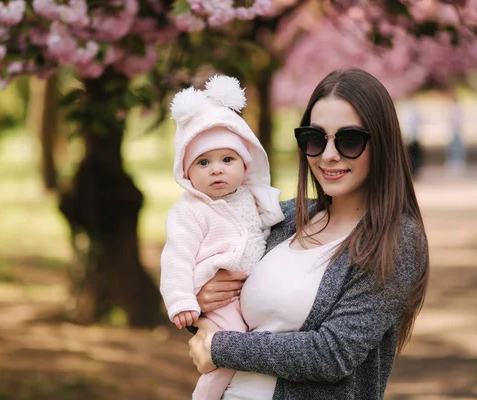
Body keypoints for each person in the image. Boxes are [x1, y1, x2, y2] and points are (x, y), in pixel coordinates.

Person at [188, 68, 430, 400]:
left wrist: (221, 347)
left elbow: (331, 354)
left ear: (382, 144)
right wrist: (199, 299)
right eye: (316, 139)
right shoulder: (284, 218)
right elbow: (207, 266)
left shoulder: (396, 240)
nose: (329, 154)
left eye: (349, 140)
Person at [160, 74, 284, 400]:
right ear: (186, 173)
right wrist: (182, 301)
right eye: (203, 162)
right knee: (225, 353)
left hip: (247, 297)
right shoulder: (190, 211)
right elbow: (176, 258)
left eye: (227, 159)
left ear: (245, 164)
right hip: (219, 300)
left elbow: (270, 222)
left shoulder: (250, 196)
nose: (217, 169)